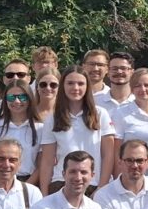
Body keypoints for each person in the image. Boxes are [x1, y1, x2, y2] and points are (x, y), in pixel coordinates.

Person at [39, 66, 116, 194]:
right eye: (70, 83)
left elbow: (108, 155)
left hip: (93, 184)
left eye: (80, 84)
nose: (75, 88)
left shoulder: (100, 114)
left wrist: (101, 187)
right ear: (63, 86)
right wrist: (44, 193)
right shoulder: (52, 118)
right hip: (61, 183)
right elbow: (47, 160)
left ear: (87, 86)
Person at [0, 81, 44, 184]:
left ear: (30, 99)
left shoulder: (40, 129)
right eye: (11, 97)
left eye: (22, 97)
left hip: (29, 183)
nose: (17, 101)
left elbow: (41, 166)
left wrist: (24, 188)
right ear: (5, 100)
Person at [112, 68, 148, 164]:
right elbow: (116, 153)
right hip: (132, 170)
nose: (143, 89)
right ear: (132, 89)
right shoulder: (121, 113)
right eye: (137, 86)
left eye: (147, 85)